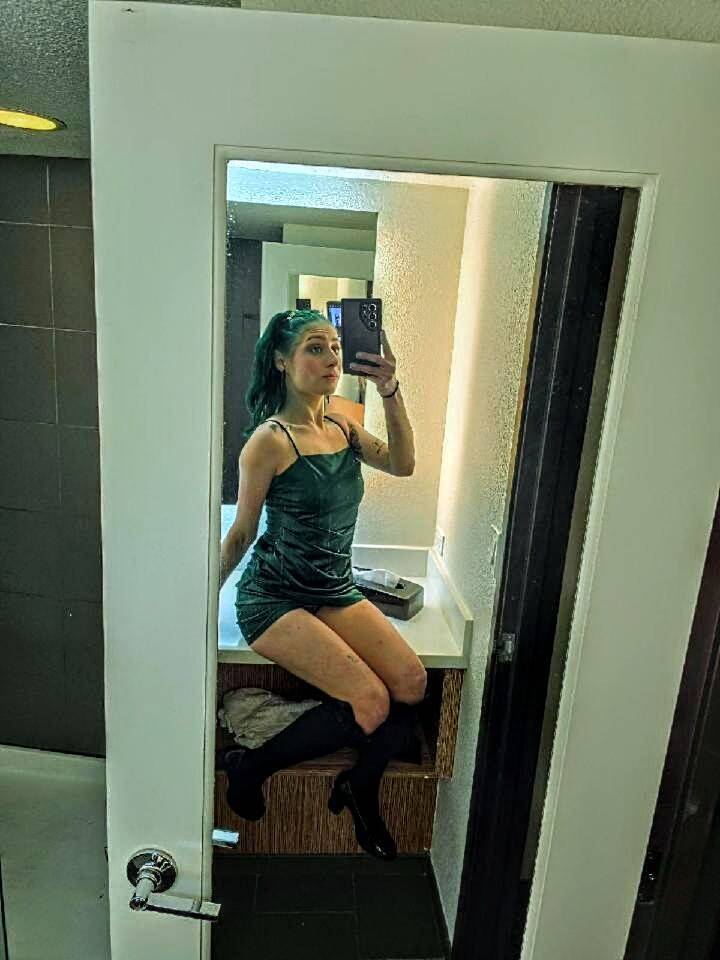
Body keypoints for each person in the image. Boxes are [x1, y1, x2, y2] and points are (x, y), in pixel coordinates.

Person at [218, 308, 427, 860]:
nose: (331, 358)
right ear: (282, 362)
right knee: (370, 701)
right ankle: (250, 766)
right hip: (274, 596)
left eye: (335, 346)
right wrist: (197, 599)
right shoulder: (269, 441)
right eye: (315, 347)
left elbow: (403, 464)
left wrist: (389, 389)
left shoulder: (343, 425)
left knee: (411, 683)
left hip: (333, 588)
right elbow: (241, 534)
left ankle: (360, 783)